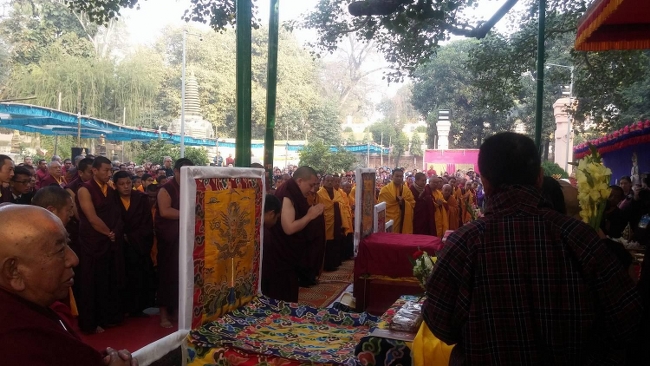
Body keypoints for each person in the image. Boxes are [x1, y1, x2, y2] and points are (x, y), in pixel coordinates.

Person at [423, 132, 642, 365]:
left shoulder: (464, 243)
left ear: (484, 182)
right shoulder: (580, 237)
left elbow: (440, 324)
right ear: (539, 177)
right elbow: (627, 320)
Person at [0, 205, 138, 366]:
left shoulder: (29, 305)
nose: (73, 259)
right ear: (14, 271)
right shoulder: (13, 342)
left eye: (68, 243)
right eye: (60, 250)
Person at [76, 156, 124, 334]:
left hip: (109, 241)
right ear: (94, 170)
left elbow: (116, 213)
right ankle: (90, 322)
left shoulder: (110, 189)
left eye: (110, 170)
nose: (109, 174)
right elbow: (92, 218)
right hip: (93, 242)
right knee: (91, 281)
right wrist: (108, 233)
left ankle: (108, 317)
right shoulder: (85, 189)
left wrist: (115, 232)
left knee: (107, 279)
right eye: (106, 170)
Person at [270, 166, 324, 301]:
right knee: (283, 295)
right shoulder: (288, 194)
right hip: (281, 257)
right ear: (299, 181)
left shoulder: (295, 192)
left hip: (289, 257)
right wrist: (309, 216)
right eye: (310, 185)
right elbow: (289, 228)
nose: (312, 190)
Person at [156, 158, 194, 328]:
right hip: (170, 239)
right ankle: (163, 314)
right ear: (176, 171)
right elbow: (165, 211)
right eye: (184, 173)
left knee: (183, 275)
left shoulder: (191, 187)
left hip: (187, 238)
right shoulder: (166, 189)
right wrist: (188, 214)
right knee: (167, 275)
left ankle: (178, 310)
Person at [114, 171, 155, 317]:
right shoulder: (112, 199)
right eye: (121, 184)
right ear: (115, 185)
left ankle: (139, 307)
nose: (126, 187)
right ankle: (123, 307)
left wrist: (131, 237)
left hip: (138, 243)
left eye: (128, 183)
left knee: (139, 275)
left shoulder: (141, 198)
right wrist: (120, 236)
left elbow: (147, 222)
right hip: (119, 245)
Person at [317, 175, 348, 272]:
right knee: (326, 244)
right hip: (325, 221)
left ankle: (334, 264)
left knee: (335, 242)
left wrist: (337, 204)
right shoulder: (319, 194)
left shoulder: (337, 193)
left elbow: (342, 204)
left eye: (331, 180)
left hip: (336, 221)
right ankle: (325, 265)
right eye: (328, 180)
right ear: (324, 181)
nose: (330, 182)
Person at [378, 168, 415, 234]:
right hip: (389, 220)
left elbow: (412, 203)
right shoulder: (385, 190)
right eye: (397, 176)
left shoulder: (406, 190)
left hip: (402, 219)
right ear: (392, 177)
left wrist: (403, 202)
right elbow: (381, 207)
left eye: (401, 176)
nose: (399, 178)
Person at [409, 172, 436, 236]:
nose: (424, 182)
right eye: (422, 180)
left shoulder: (426, 189)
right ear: (416, 180)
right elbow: (410, 204)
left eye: (425, 180)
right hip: (416, 218)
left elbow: (432, 200)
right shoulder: (411, 190)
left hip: (426, 218)